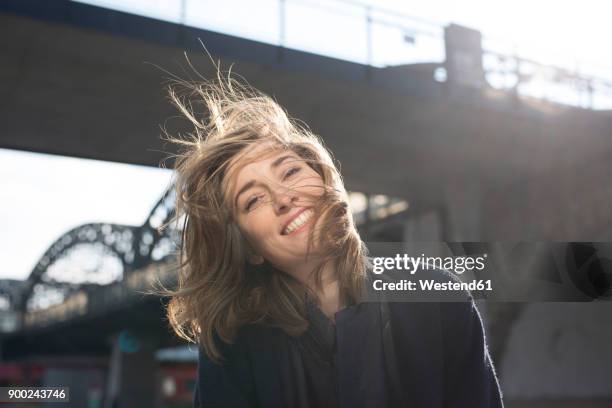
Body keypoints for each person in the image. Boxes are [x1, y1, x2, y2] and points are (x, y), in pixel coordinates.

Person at [158, 62, 504, 408]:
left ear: (325, 180)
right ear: (249, 248)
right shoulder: (232, 341)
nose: (282, 197)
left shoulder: (438, 300)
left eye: (290, 171)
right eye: (254, 199)